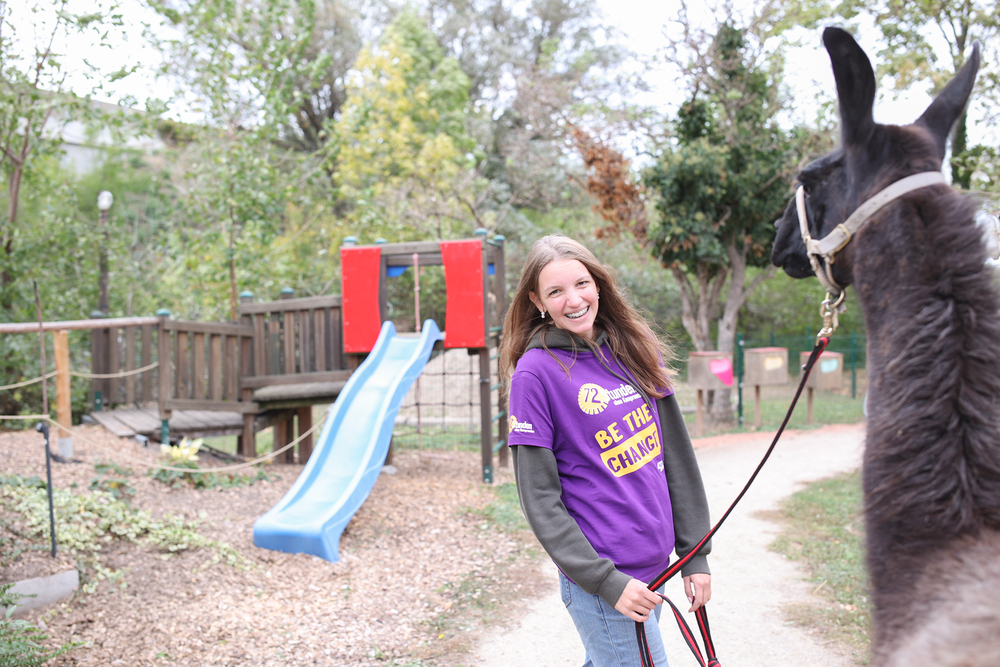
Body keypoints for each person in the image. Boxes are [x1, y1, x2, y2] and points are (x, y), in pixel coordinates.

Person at [499, 235, 712, 667]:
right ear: (537, 301)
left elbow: (675, 456)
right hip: (605, 582)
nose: (574, 300)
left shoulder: (633, 347)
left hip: (655, 566)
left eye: (582, 284)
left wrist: (695, 555)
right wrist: (606, 582)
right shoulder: (534, 375)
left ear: (598, 284)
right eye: (556, 291)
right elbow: (539, 499)